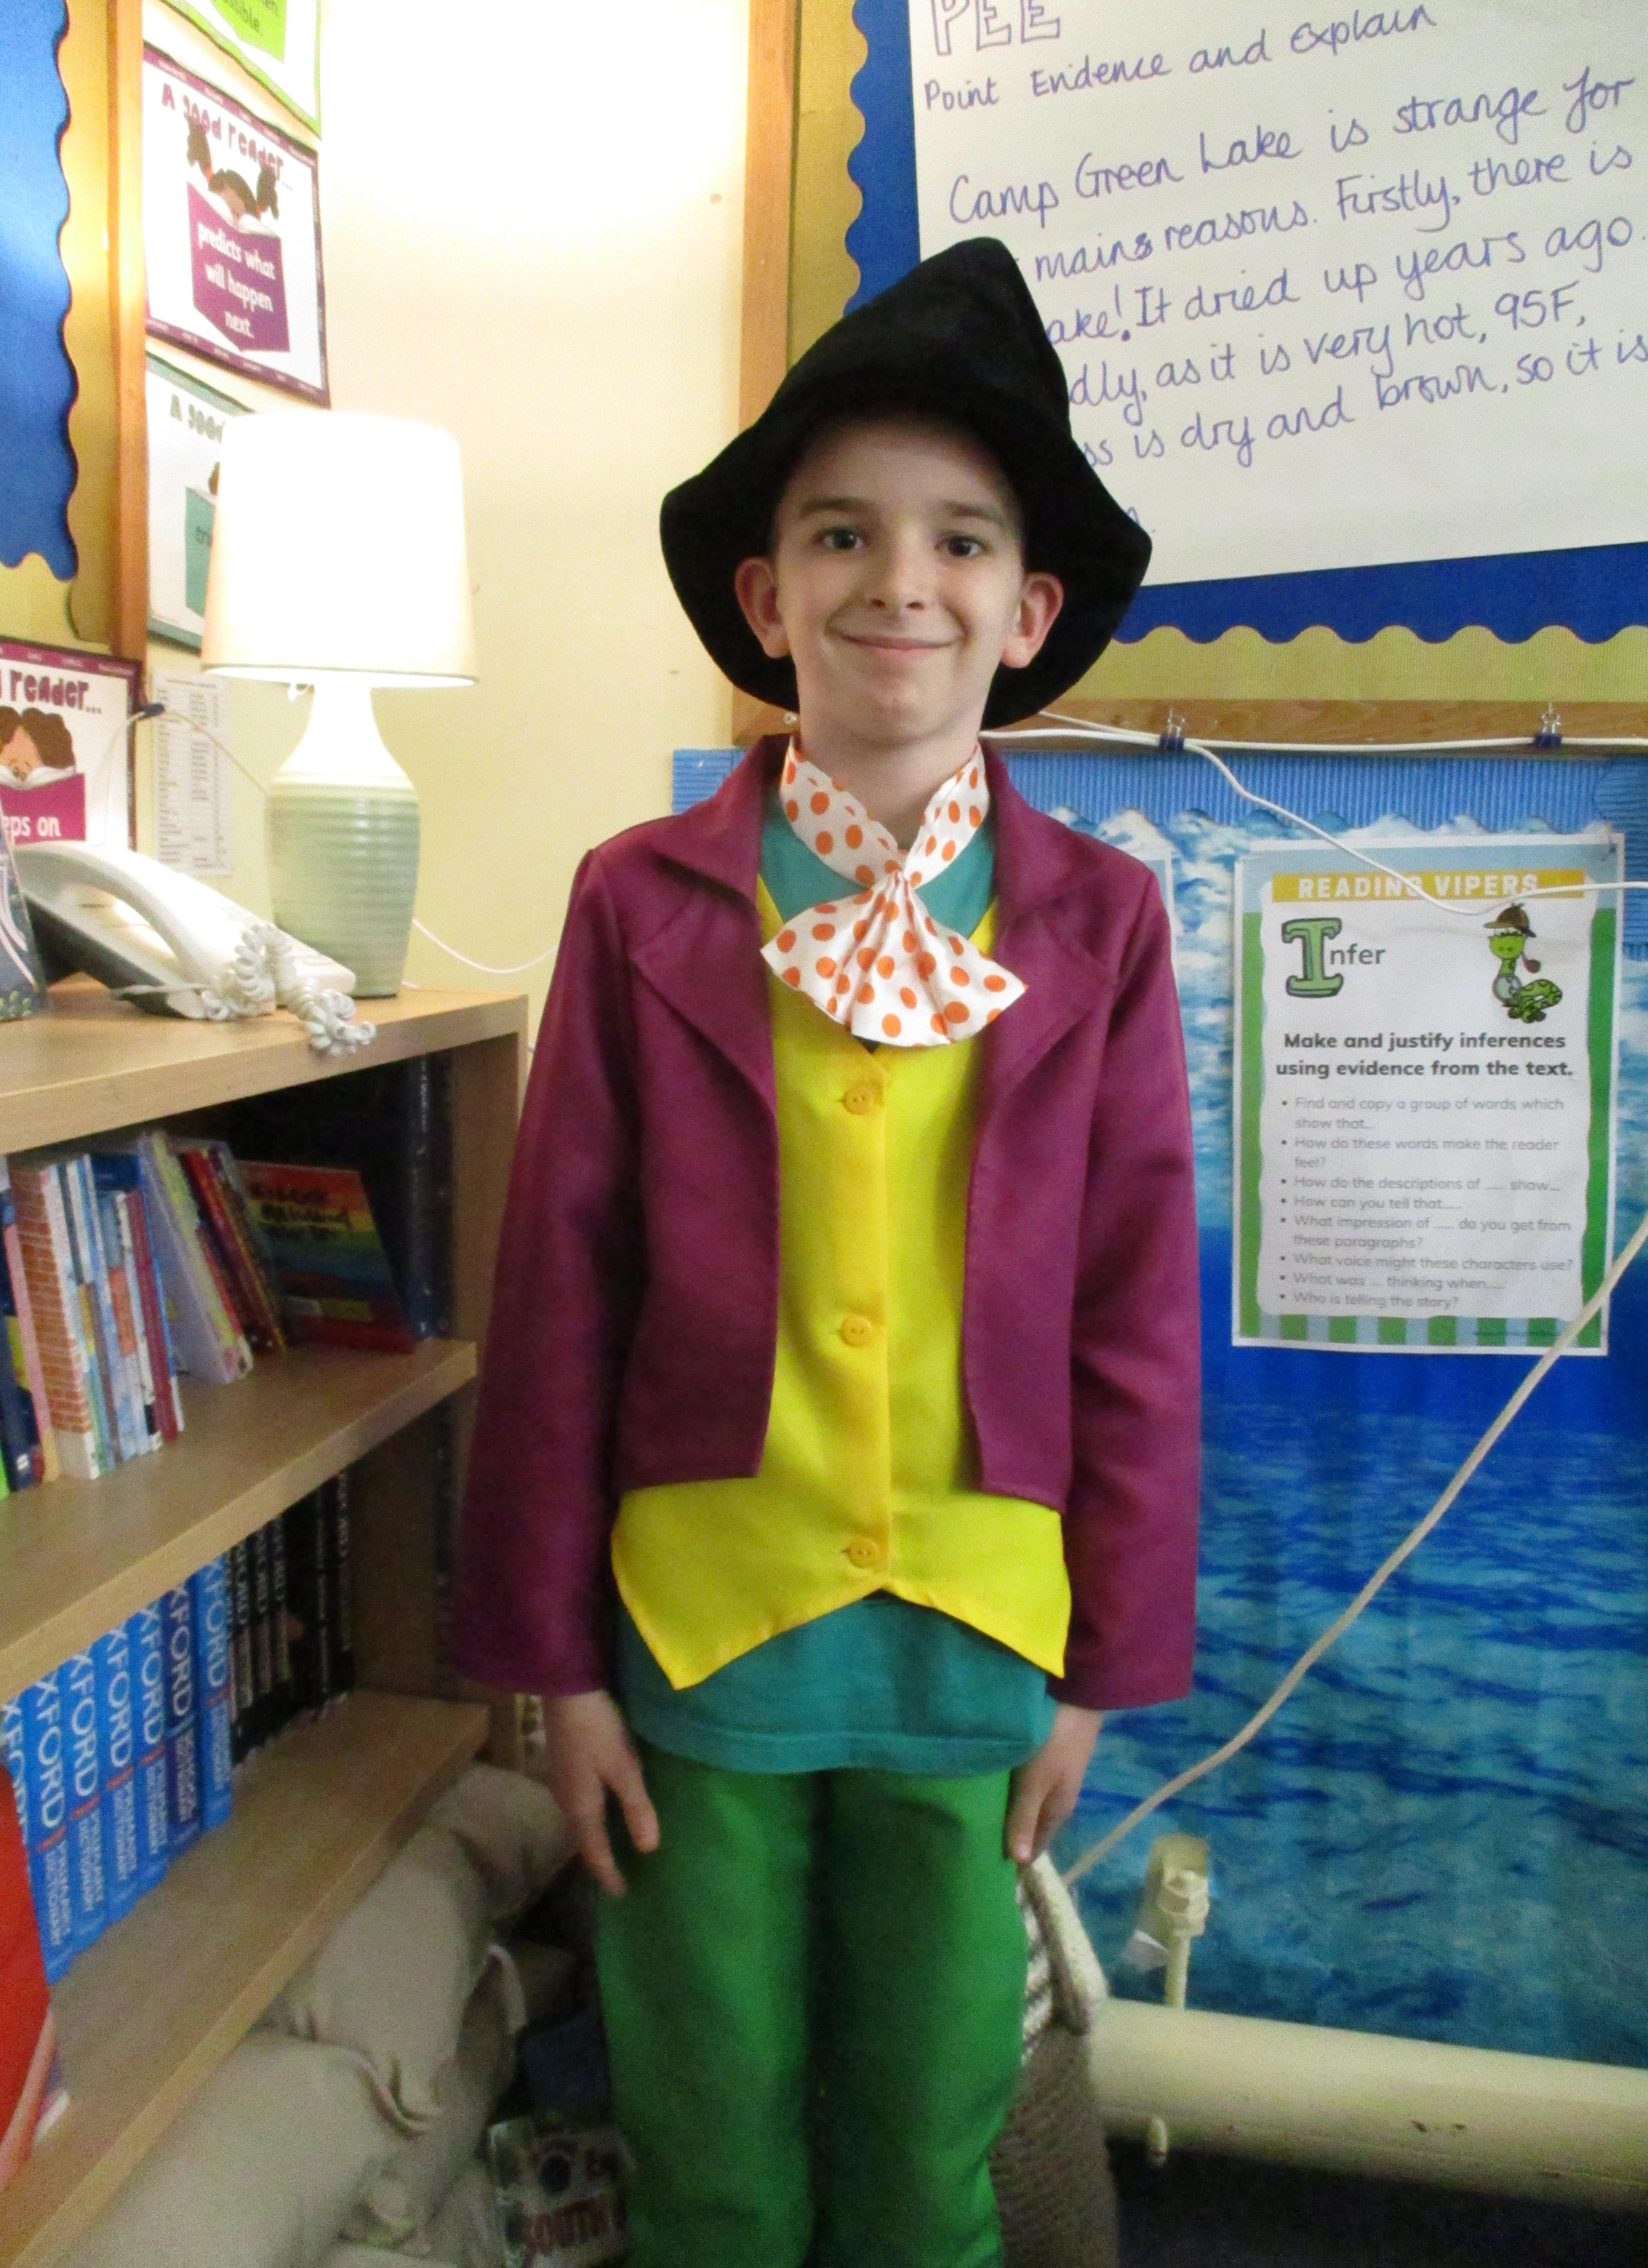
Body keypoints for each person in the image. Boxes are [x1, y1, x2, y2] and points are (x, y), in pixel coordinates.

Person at [453, 239, 1200, 2268]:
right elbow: (560, 1289)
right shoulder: (641, 901)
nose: (901, 579)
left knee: (927, 2140)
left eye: (963, 539)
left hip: (974, 1638)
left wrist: (1099, 1670)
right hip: (702, 1634)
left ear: (1026, 611)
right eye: (843, 533)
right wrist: (557, 1672)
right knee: (706, 2137)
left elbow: (1136, 1308)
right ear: (767, 594)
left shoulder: (1103, 920)